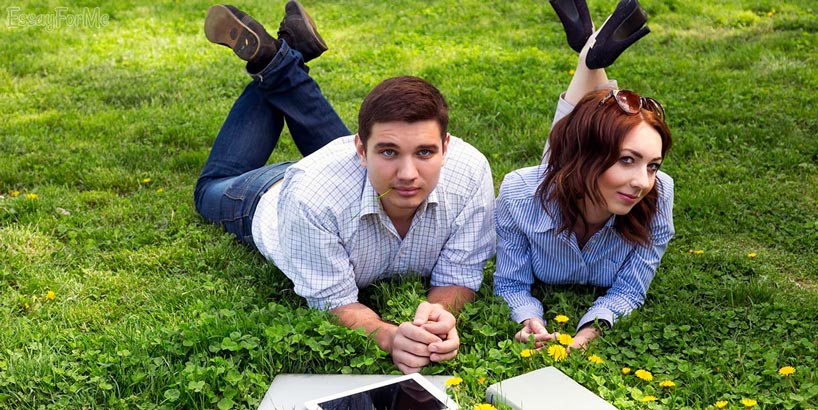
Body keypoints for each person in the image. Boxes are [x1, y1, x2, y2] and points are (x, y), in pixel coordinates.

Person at [194, 2, 495, 374]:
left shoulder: (469, 172)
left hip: (348, 182)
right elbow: (333, 300)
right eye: (389, 150)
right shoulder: (312, 197)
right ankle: (278, 61)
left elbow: (459, 276)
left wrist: (439, 317)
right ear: (360, 150)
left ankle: (279, 58)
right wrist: (387, 335)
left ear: (446, 147)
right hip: (266, 195)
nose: (408, 174)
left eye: (425, 152)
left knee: (373, 170)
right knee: (209, 189)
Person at [494, 0, 674, 351]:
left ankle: (590, 54)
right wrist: (529, 318)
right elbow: (510, 284)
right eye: (627, 160)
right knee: (568, 149)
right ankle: (592, 54)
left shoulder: (659, 193)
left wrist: (592, 327)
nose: (642, 181)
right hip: (559, 180)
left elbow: (630, 289)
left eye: (653, 164)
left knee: (582, 136)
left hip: (578, 170)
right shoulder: (518, 194)